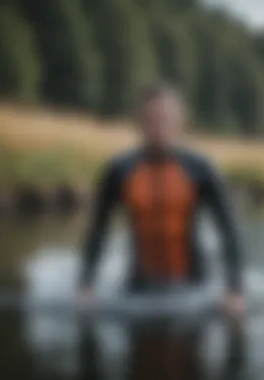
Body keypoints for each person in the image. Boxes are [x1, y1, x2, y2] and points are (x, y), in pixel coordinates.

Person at [77, 83, 245, 322]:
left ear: (180, 121)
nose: (159, 126)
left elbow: (229, 230)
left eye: (165, 118)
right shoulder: (120, 170)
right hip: (138, 288)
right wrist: (85, 285)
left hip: (193, 289)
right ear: (139, 123)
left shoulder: (200, 169)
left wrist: (235, 290)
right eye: (151, 119)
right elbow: (97, 231)